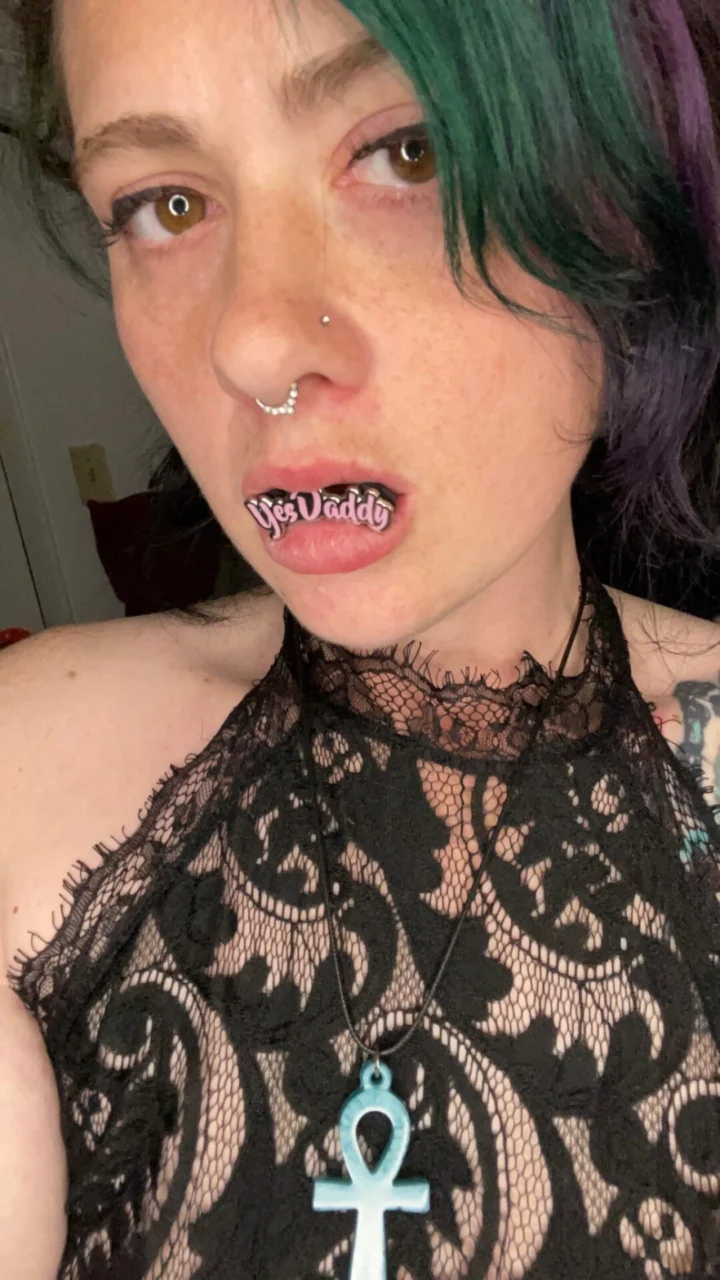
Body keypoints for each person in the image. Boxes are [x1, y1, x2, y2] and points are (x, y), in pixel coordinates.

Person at [2, 0, 720, 1276]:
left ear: (625, 179)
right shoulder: (28, 778)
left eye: (405, 150)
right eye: (165, 203)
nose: (251, 344)